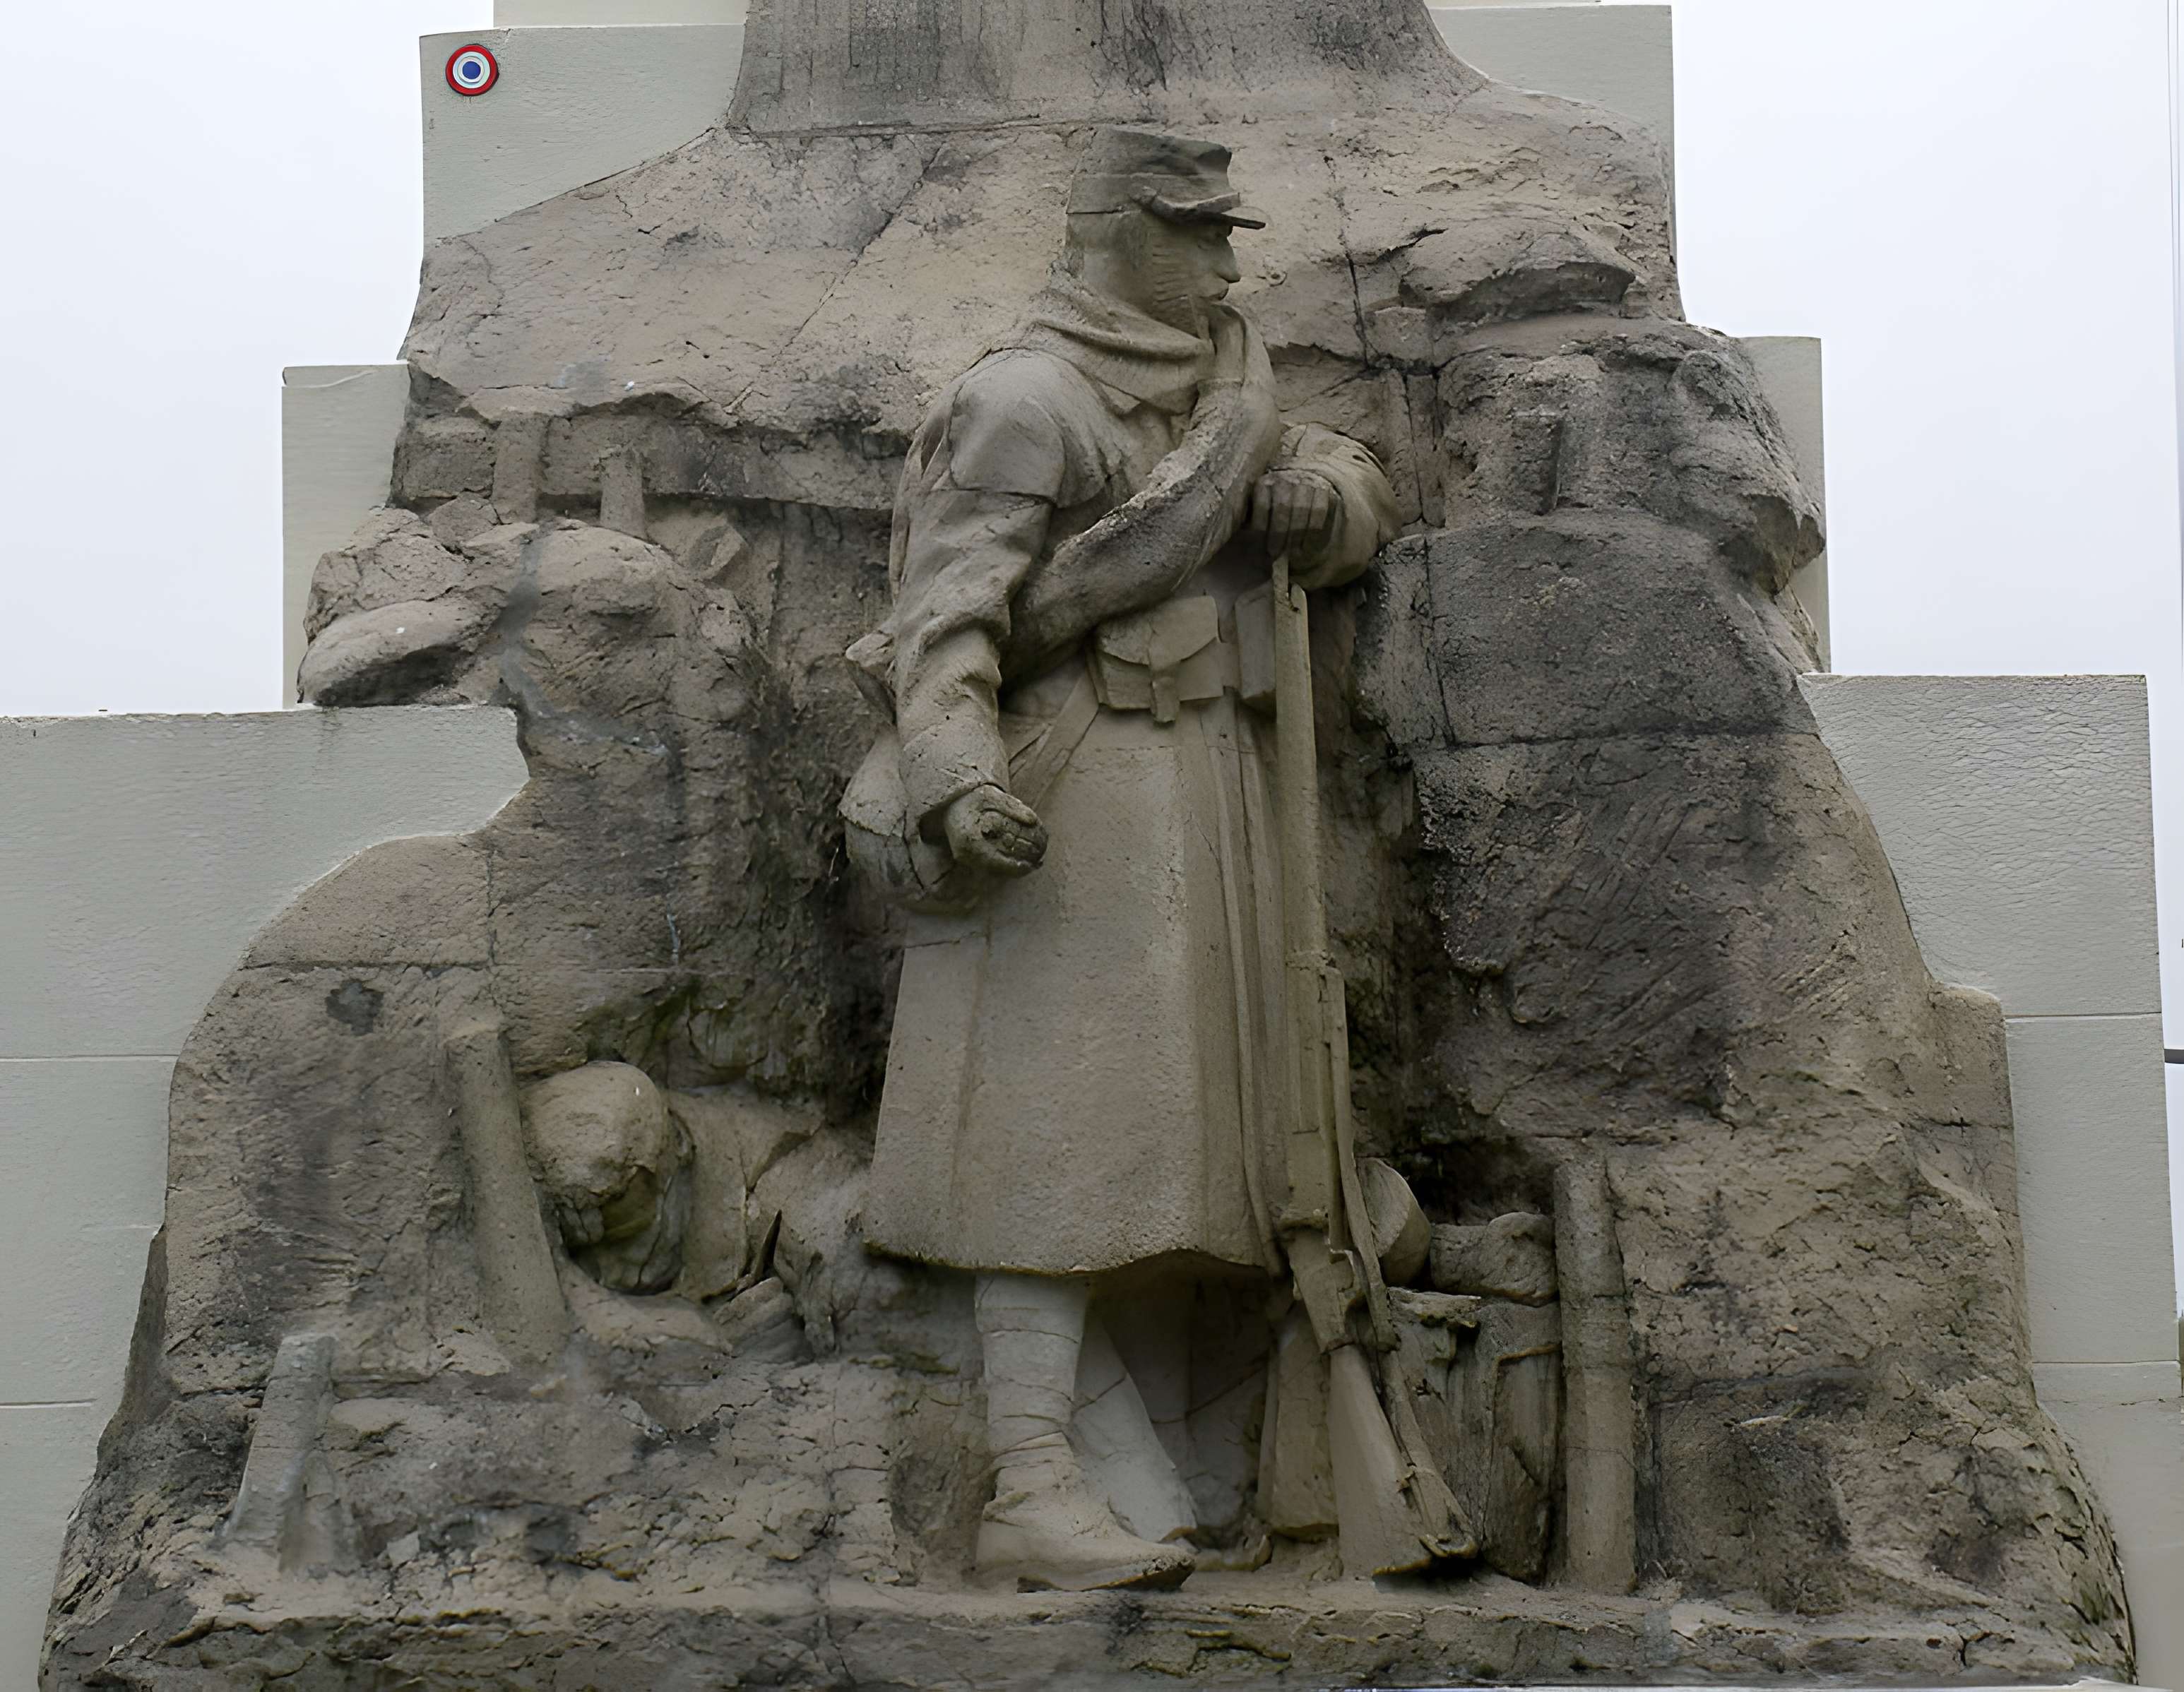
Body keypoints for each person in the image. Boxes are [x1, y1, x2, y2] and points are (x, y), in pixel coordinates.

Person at [841, 129, 1401, 1591]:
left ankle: (1152, 1464)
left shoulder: (1224, 382)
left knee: (1202, 1149)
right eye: (1195, 234)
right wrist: (957, 784)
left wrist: (1324, 505)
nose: (1225, 262)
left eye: (1225, 235)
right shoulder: (1026, 401)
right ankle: (1029, 1483)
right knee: (1054, 1149)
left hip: (1211, 793)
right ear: (1115, 237)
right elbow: (946, 618)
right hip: (1077, 792)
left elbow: (1339, 471)